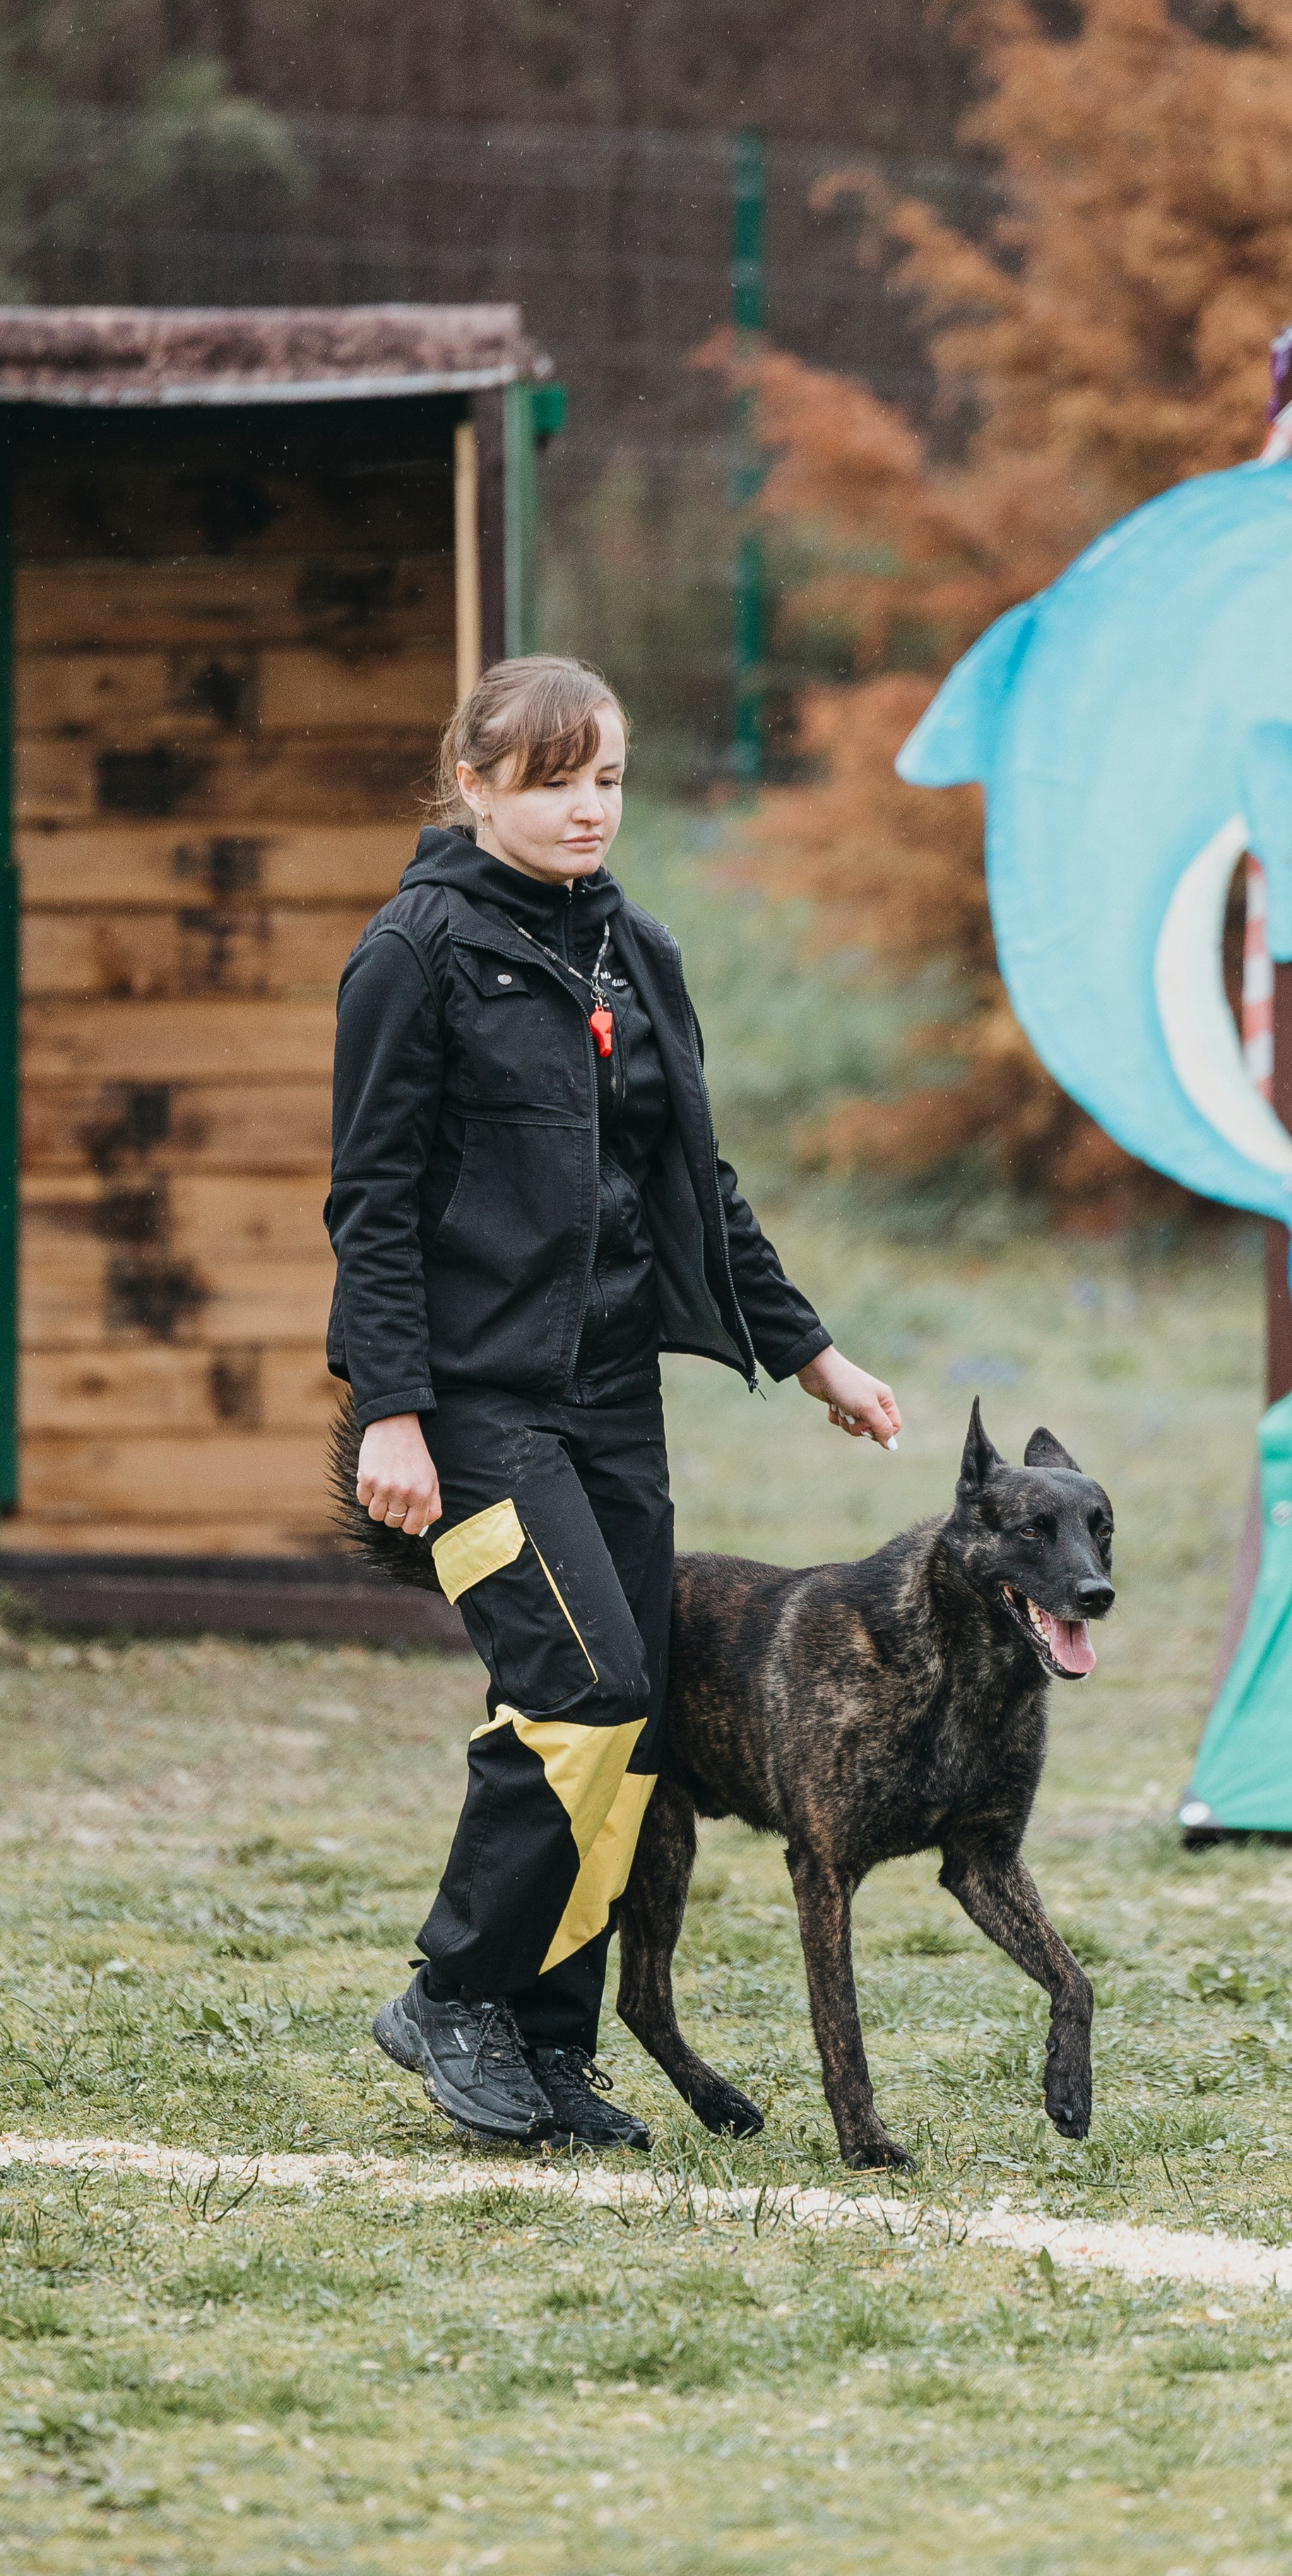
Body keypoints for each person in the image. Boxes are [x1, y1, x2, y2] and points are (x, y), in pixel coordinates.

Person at [325, 654, 901, 2151]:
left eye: (609, 779)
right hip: (474, 1406)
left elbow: (693, 1180)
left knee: (625, 1729)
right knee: (582, 1690)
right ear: (474, 784)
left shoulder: (633, 952)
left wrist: (813, 1354)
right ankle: (454, 1993)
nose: (589, 808)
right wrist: (392, 1409)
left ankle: (544, 2042)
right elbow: (370, 1205)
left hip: (610, 1403)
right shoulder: (414, 955)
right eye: (553, 781)